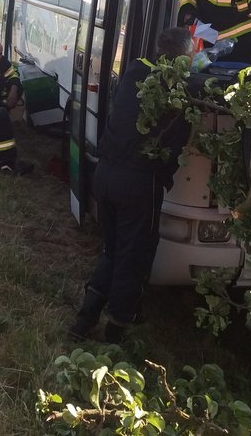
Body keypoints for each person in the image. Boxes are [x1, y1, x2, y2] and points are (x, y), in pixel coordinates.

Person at [69, 27, 196, 344]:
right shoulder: (179, 92)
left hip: (106, 175)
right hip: (138, 184)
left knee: (112, 249)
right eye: (191, 55)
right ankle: (117, 329)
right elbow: (178, 143)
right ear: (181, 58)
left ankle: (83, 320)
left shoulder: (134, 73)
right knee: (134, 255)